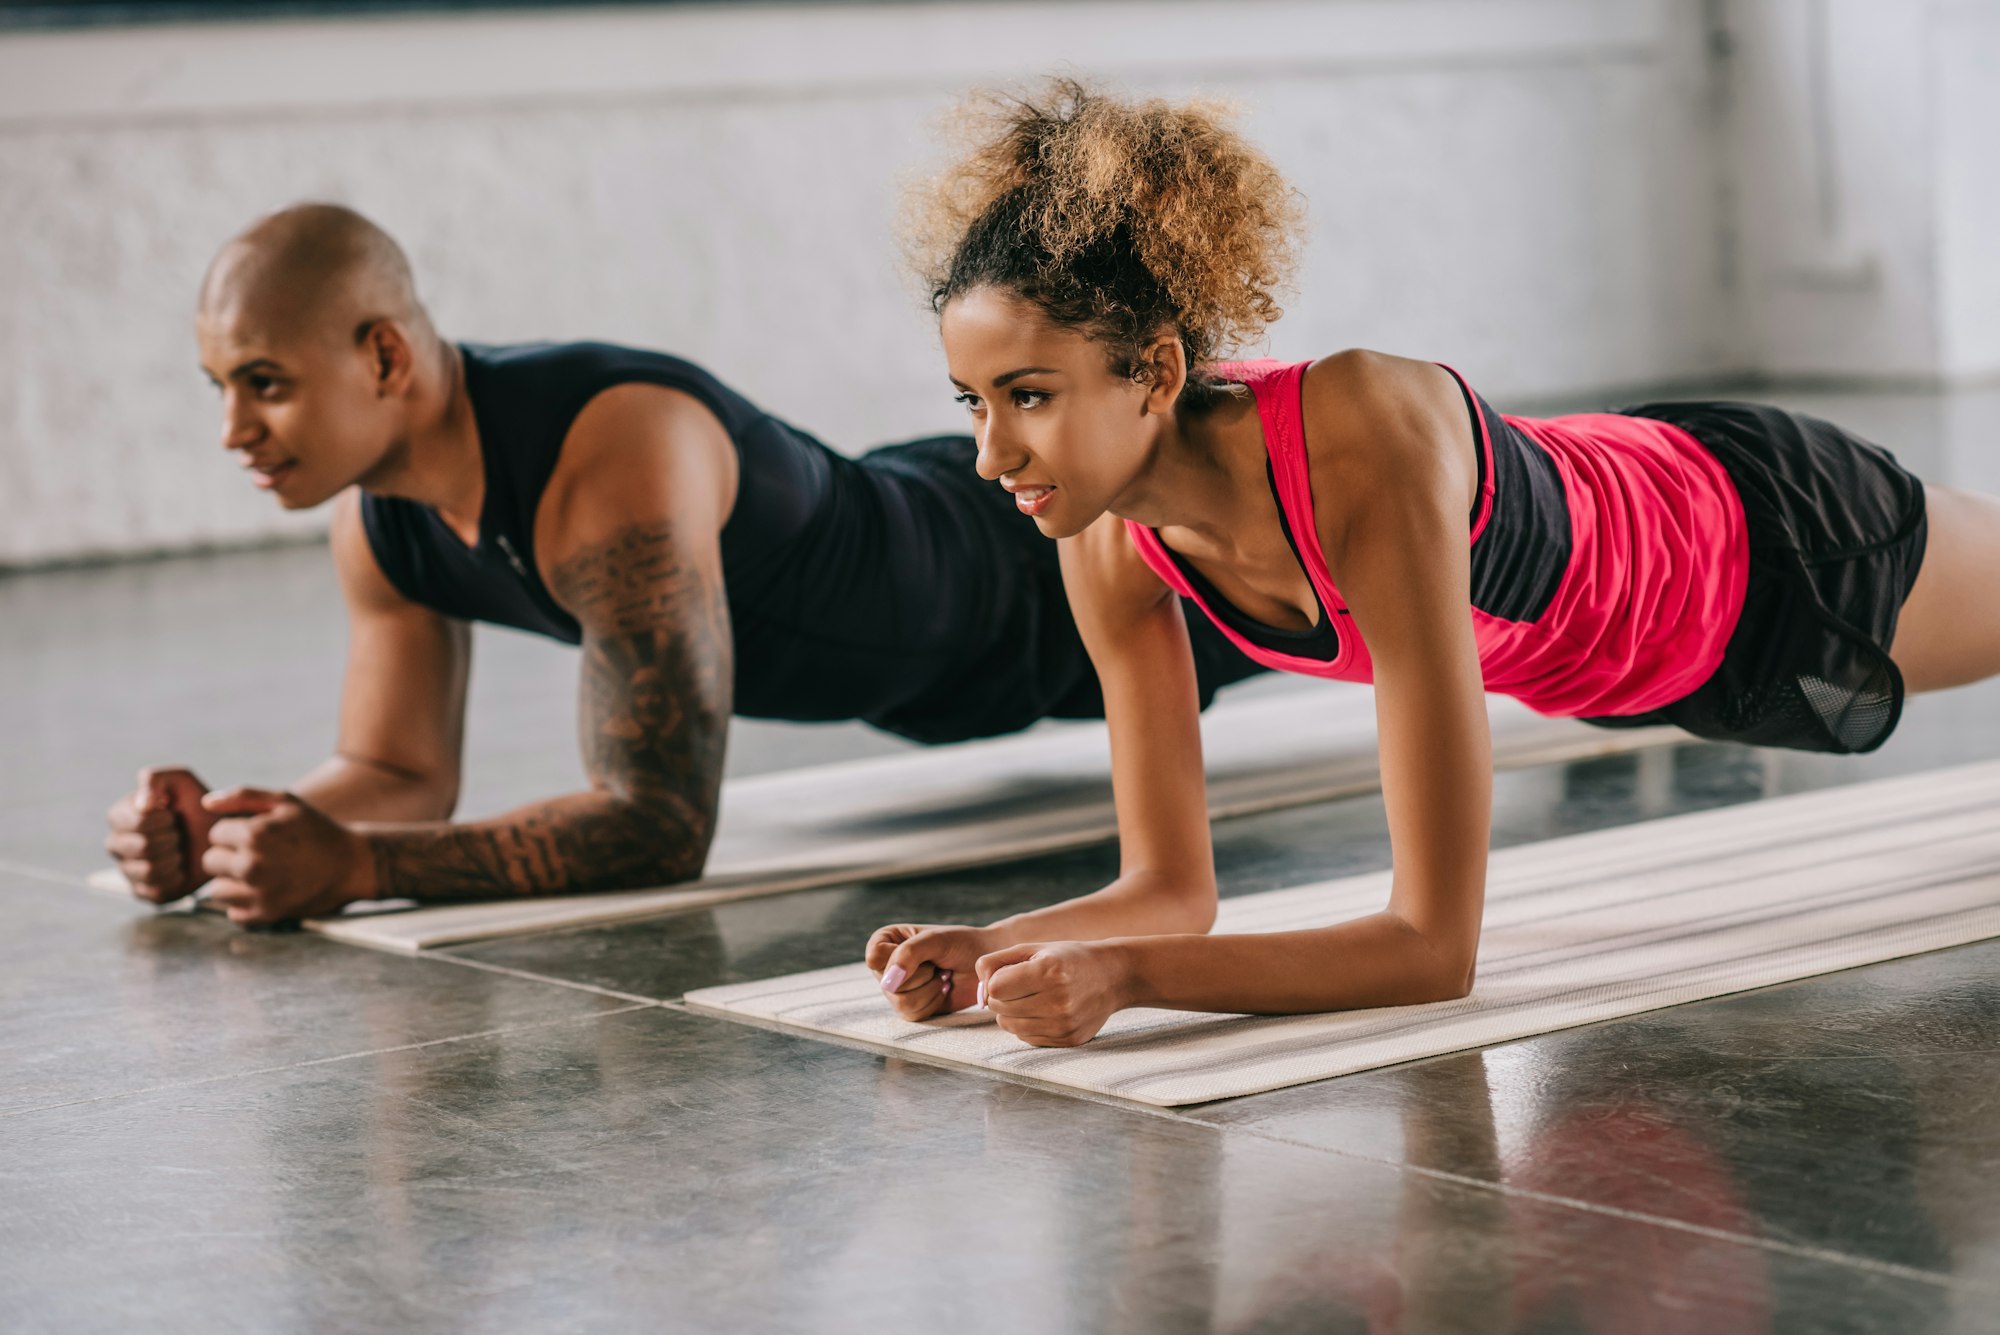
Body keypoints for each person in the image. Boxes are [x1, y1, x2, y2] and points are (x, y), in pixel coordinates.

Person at [865, 79, 2000, 1043]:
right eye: (971, 402)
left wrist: (1127, 981)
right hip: (1640, 661)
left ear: (1153, 372)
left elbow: (1428, 947)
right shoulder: (1111, 547)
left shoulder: (1359, 434)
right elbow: (1170, 891)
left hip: (1774, 547)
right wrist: (997, 949)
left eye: (1028, 397)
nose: (988, 453)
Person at [102, 203, 1263, 927]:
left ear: (384, 355)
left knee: (1352, 569)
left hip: (1020, 576)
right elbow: (393, 769)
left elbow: (655, 823)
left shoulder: (611, 450)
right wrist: (239, 838)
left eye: (265, 382)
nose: (234, 430)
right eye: (220, 389)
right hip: (924, 616)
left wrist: (358, 868)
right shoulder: (380, 525)